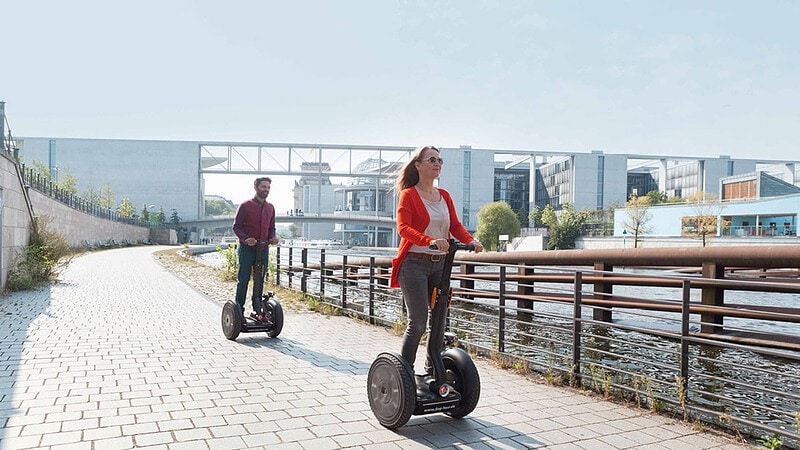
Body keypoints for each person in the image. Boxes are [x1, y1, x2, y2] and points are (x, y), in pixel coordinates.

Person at [390, 145, 483, 373]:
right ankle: (405, 373)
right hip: (414, 264)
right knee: (418, 321)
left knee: (440, 321)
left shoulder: (445, 196)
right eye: (432, 160)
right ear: (418, 165)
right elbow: (403, 228)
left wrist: (472, 240)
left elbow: (455, 226)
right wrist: (428, 240)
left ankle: (433, 369)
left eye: (440, 160)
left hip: (440, 264)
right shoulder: (409, 195)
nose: (437, 164)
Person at [232, 177, 279, 321]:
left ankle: (258, 310)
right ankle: (239, 310)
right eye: (263, 187)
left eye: (268, 187)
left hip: (263, 249)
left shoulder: (270, 208)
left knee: (259, 280)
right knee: (244, 280)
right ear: (256, 187)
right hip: (247, 249)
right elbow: (236, 227)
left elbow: (271, 228)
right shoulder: (246, 205)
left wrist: (273, 237)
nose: (266, 190)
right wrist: (246, 239)